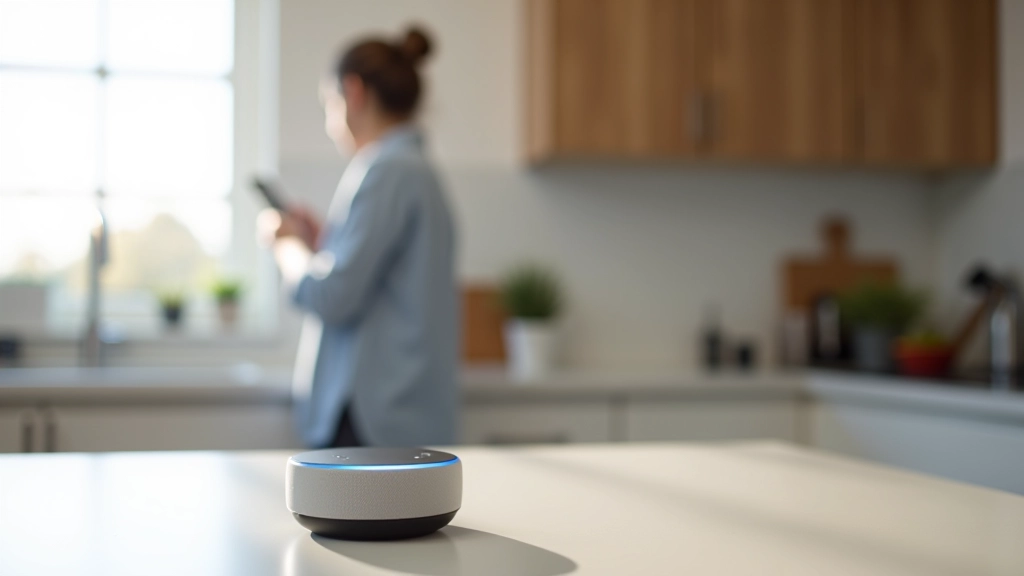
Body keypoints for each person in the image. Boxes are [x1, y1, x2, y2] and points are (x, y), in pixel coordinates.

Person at [259, 27, 458, 448]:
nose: (331, 125)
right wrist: (322, 245)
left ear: (353, 93)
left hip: (372, 420)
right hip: (401, 415)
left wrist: (286, 247)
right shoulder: (415, 170)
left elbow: (334, 296)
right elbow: (379, 284)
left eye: (329, 105)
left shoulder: (387, 170)